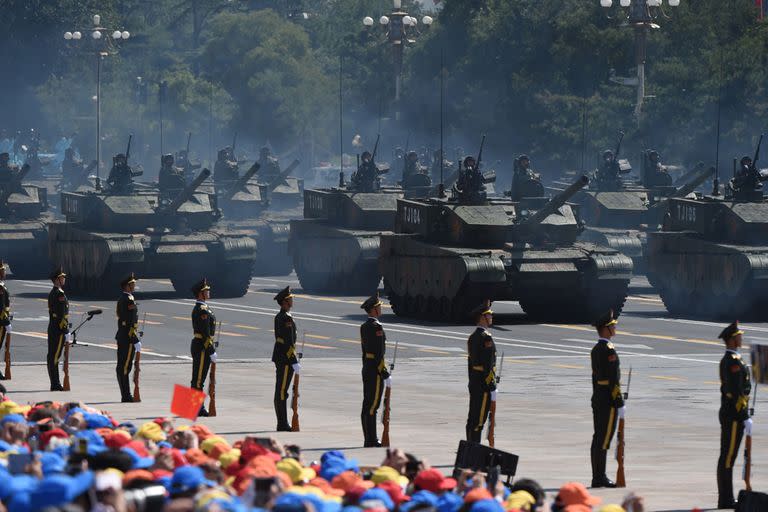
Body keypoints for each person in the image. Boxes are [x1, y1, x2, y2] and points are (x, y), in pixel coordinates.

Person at [716, 321, 752, 509]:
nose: (741, 337)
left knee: (729, 456)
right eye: (738, 335)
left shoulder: (736, 359)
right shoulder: (731, 362)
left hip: (734, 413)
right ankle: (725, 499)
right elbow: (735, 391)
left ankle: (726, 497)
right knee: (728, 457)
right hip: (733, 415)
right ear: (731, 340)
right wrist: (744, 415)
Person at [590, 310, 624, 488]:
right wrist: (619, 401)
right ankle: (599, 477)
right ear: (605, 330)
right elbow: (613, 380)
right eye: (612, 326)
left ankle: (597, 475)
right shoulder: (608, 350)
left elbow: (595, 378)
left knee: (598, 437)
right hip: (608, 400)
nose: (615, 328)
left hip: (598, 397)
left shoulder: (596, 349)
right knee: (604, 438)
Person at [360, 294, 391, 447]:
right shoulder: (376, 327)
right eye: (379, 306)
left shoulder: (364, 326)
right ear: (374, 310)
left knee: (367, 404)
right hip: (375, 370)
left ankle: (369, 437)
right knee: (373, 405)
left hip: (367, 368)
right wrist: (383, 371)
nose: (381, 308)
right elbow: (378, 353)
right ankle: (371, 439)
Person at [465, 301, 496, 443]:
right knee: (479, 420)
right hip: (483, 384)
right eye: (488, 314)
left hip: (474, 381)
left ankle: (470, 446)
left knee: (472, 417)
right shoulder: (486, 338)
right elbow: (487, 364)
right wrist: (491, 384)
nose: (491, 316)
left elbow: (471, 363)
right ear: (482, 317)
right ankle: (474, 449)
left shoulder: (472, 337)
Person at [272, 286, 300, 431]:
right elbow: (288, 342)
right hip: (284, 358)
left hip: (282, 356)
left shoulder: (281, 316)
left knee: (282, 390)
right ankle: (282, 423)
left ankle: (282, 422)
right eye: (290, 299)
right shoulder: (285, 318)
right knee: (282, 391)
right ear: (285, 302)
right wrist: (293, 360)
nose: (292, 300)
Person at [191, 278, 217, 417]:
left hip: (201, 345)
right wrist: (211, 350)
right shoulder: (201, 310)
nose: (208, 292)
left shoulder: (204, 308)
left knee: (198, 378)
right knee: (199, 379)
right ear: (200, 294)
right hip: (202, 346)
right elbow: (205, 333)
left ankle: (194, 407)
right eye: (206, 290)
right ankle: (197, 408)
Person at [115, 273, 141, 403]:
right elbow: (129, 322)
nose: (134, 285)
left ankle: (126, 394)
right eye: (132, 284)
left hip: (124, 336)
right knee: (125, 367)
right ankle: (126, 395)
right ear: (127, 286)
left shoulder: (125, 298)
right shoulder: (128, 300)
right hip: (127, 337)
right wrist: (135, 339)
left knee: (124, 366)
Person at [47, 267, 71, 391]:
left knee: (53, 356)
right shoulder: (59, 294)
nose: (64, 279)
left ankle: (55, 382)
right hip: (58, 330)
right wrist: (65, 330)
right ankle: (55, 383)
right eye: (62, 277)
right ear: (57, 280)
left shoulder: (55, 292)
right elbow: (61, 315)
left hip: (54, 328)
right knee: (55, 356)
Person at [0, 261, 11, 380]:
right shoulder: (0, 287)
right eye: (3, 270)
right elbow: (1, 308)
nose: (5, 272)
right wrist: (6, 322)